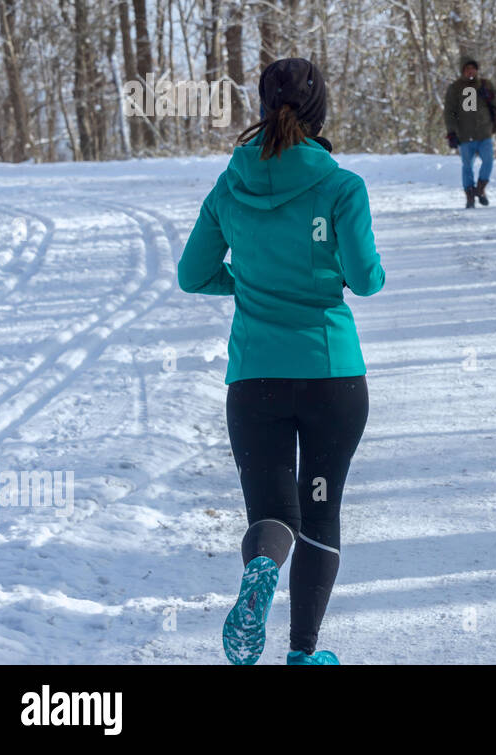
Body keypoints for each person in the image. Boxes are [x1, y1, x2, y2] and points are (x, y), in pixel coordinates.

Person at [177, 57, 385, 665]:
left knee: (272, 512)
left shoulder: (230, 186)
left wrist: (246, 283)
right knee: (320, 509)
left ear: (263, 107)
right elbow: (365, 280)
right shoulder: (341, 187)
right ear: (321, 113)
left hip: (255, 381)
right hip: (331, 377)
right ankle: (304, 654)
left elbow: (193, 275)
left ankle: (262, 566)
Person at [443, 58, 496, 208]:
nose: (471, 71)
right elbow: (449, 112)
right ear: (462, 71)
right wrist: (451, 132)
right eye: (467, 69)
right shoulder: (455, 88)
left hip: (484, 132)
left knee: (488, 161)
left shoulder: (485, 84)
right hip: (464, 134)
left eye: (473, 68)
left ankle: (480, 188)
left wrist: (491, 96)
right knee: (467, 166)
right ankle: (470, 195)